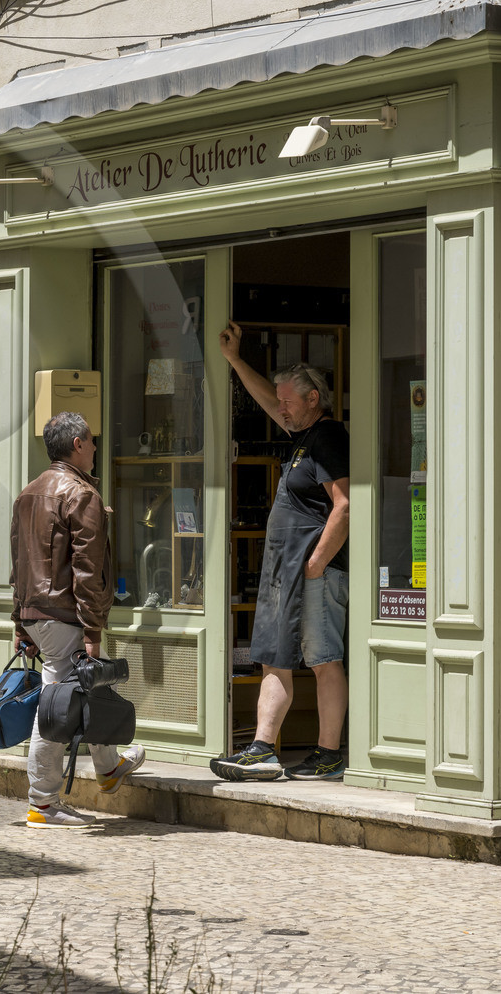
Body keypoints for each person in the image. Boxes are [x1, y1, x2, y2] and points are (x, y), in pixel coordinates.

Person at [213, 322, 350, 781]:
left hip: (312, 573)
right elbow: (269, 402)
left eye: (289, 401)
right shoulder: (301, 437)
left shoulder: (327, 437)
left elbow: (344, 506)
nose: (281, 408)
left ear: (313, 398)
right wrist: (235, 360)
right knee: (275, 656)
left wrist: (315, 565)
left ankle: (327, 755)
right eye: (281, 401)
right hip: (287, 571)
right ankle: (263, 749)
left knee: (324, 659)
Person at [11, 411, 145, 827]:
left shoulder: (28, 493)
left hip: (37, 612)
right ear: (77, 445)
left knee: (88, 689)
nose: (96, 446)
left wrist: (20, 623)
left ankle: (108, 768)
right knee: (56, 706)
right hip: (64, 615)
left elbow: (18, 564)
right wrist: (92, 629)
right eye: (91, 440)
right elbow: (87, 570)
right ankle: (42, 802)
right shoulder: (80, 494)